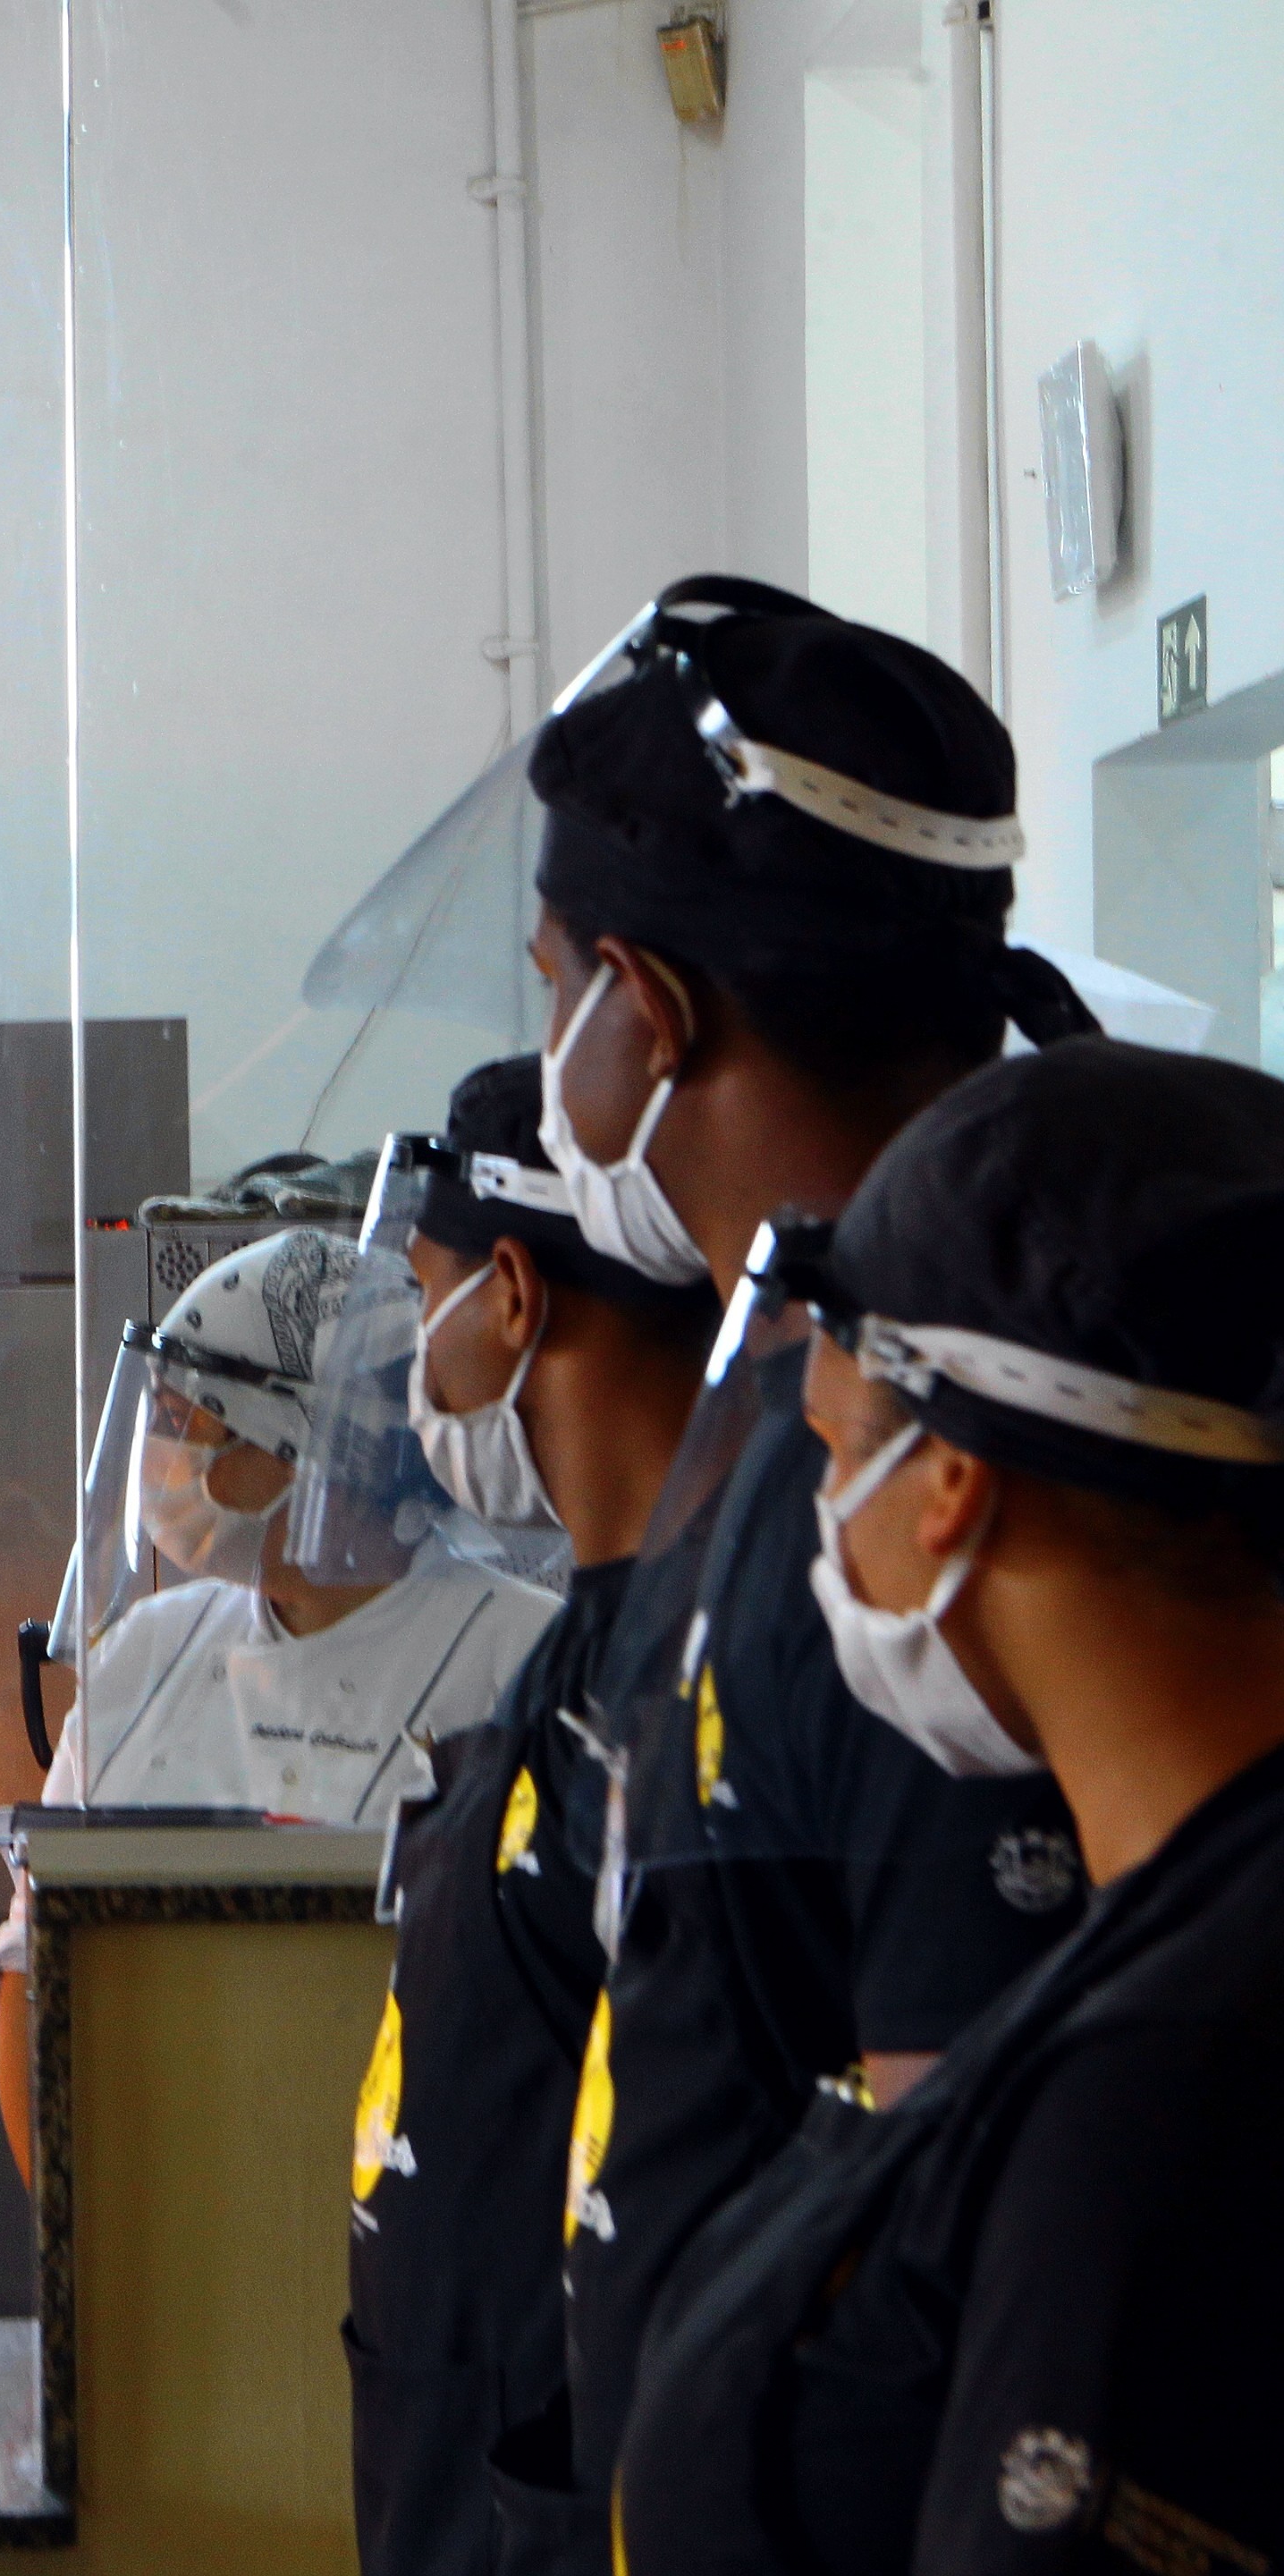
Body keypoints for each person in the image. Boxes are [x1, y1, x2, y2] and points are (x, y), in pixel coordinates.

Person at [521, 578, 1103, 2505]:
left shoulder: (930, 1475)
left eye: (555, 984)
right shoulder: (781, 1398)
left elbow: (978, 2192)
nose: (549, 1047)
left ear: (648, 1007)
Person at [612, 1039, 1284, 2575]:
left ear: (953, 1486)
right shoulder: (1174, 1943)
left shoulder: (1158, 2077)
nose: (824, 1523)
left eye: (837, 1455)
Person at [334, 1058, 717, 2576]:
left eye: (421, 1297)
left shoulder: (689, 1682)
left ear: (510, 1291)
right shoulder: (582, 1637)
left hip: (556, 2502)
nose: (415, 1376)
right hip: (454, 2466)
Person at [0, 1223, 560, 2179]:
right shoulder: (146, 1657)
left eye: (191, 1421)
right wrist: (79, 2241)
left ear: (313, 1444)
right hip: (167, 2218)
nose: (160, 1458)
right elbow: (30, 1976)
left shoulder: (524, 1661)